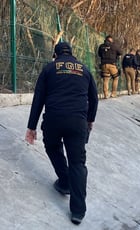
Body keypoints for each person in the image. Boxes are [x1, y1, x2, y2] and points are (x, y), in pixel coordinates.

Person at [25, 42, 98, 225]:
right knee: (78, 164)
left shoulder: (49, 68)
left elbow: (38, 99)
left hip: (53, 120)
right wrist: (89, 120)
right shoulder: (84, 70)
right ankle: (78, 212)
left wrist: (31, 127)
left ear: (55, 55)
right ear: (72, 54)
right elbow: (94, 99)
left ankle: (65, 181)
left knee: (52, 146)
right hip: (77, 122)